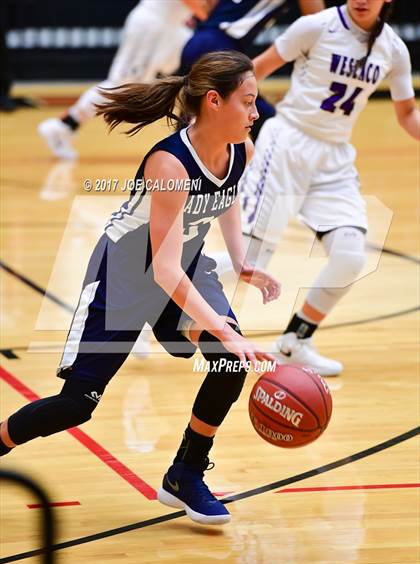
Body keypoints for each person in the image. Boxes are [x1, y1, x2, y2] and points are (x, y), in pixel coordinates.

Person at [0, 51, 281, 525]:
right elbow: (163, 271)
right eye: (249, 102)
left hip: (185, 264)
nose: (256, 113)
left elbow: (226, 196)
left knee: (229, 361)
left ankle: (185, 473)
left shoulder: (241, 149)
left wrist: (242, 260)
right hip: (125, 274)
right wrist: (228, 330)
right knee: (76, 405)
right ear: (214, 101)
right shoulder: (169, 164)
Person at [212, 0, 419, 376]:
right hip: (287, 142)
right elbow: (253, 74)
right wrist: (231, 128)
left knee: (351, 256)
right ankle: (156, 291)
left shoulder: (393, 49)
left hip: (334, 158)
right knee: (252, 260)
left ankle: (295, 342)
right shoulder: (316, 26)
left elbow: (407, 114)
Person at [38, 0, 214, 160]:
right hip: (151, 26)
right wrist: (222, 17)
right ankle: (62, 126)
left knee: (199, 63)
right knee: (121, 87)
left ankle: (195, 137)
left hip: (172, 28)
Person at [180, 0, 326, 139]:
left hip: (201, 39)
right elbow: (317, 22)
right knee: (265, 124)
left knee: (196, 121)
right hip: (220, 47)